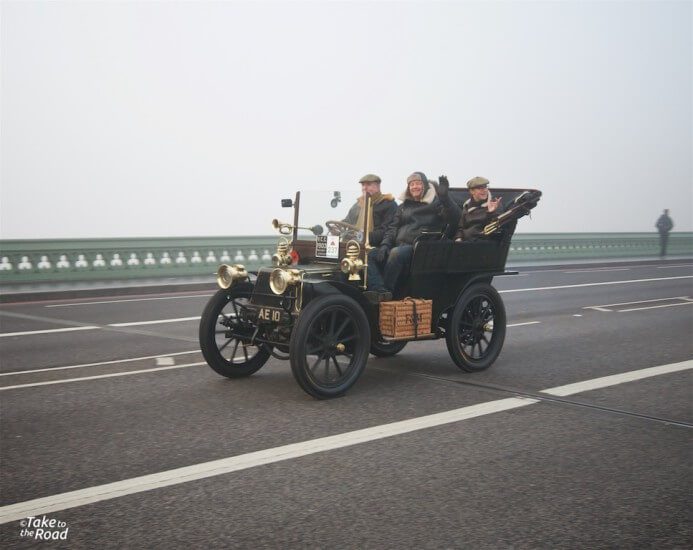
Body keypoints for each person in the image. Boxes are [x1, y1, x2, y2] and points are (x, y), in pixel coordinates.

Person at [367, 172, 458, 298]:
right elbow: (392, 228)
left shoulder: (436, 204)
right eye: (412, 184)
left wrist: (445, 199)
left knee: (396, 253)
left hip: (420, 249)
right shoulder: (403, 206)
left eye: (418, 184)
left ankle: (388, 292)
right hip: (398, 247)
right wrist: (384, 245)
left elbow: (454, 219)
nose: (415, 187)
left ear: (425, 186)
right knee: (370, 255)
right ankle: (379, 290)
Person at [342, 174, 397, 247]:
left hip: (376, 246)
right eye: (363, 185)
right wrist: (337, 228)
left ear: (378, 187)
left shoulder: (388, 204)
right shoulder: (358, 204)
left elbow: (387, 231)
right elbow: (347, 221)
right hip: (353, 243)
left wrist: (363, 237)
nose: (364, 188)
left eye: (368, 184)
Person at [454, 176, 504, 242]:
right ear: (472, 191)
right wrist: (459, 237)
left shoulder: (494, 204)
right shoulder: (467, 206)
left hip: (484, 243)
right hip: (467, 243)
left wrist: (490, 213)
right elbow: (461, 227)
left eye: (485, 187)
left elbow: (495, 228)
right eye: (480, 188)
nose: (484, 190)